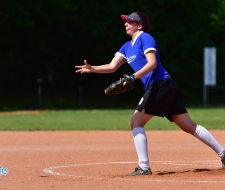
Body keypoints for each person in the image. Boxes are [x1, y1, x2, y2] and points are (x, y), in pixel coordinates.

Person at [75, 11, 225, 176]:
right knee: (189, 126)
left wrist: (133, 77)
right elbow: (112, 67)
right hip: (164, 85)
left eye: (130, 21)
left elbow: (152, 64)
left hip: (160, 84)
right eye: (126, 22)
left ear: (139, 25)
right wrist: (92, 69)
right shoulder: (126, 47)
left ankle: (144, 167)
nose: (126, 24)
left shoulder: (145, 38)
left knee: (135, 122)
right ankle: (223, 154)